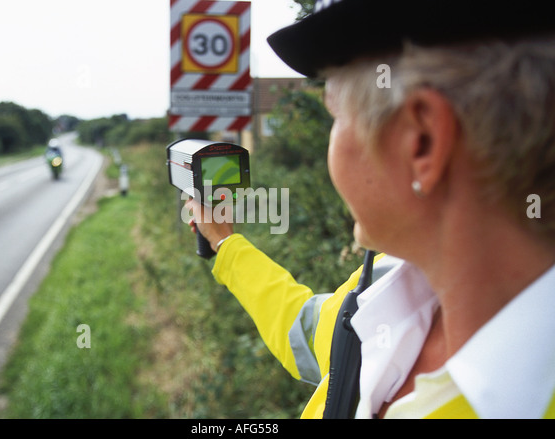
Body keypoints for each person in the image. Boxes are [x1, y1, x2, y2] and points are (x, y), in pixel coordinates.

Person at [185, 0, 555, 419]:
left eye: (335, 116)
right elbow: (303, 329)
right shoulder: (382, 292)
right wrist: (225, 243)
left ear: (422, 142)